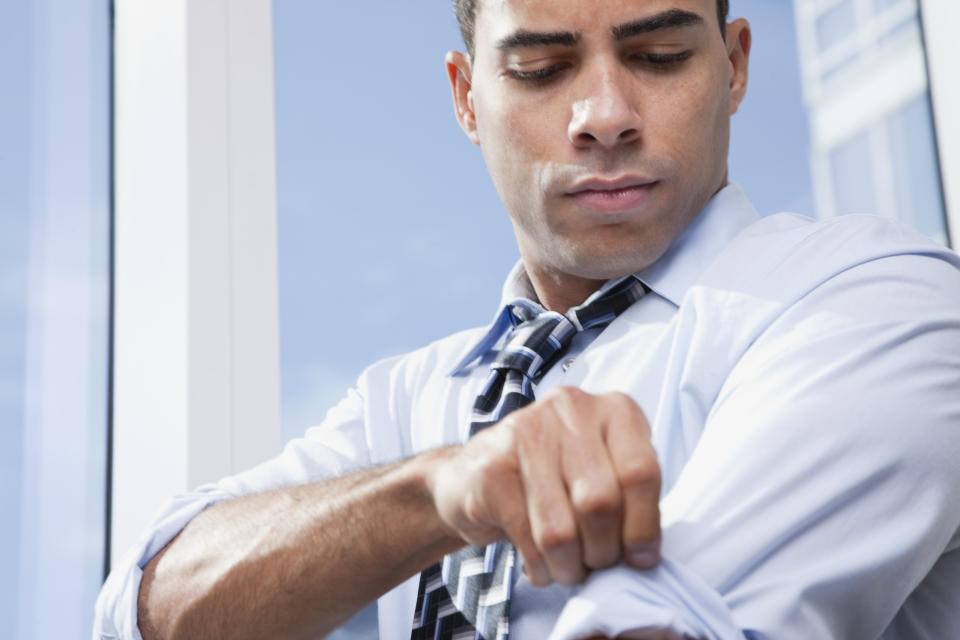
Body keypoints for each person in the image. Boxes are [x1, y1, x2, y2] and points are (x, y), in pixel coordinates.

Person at [95, 0, 960, 638]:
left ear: (733, 67)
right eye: (543, 70)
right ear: (467, 99)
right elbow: (150, 608)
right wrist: (439, 486)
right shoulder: (415, 398)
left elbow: (671, 624)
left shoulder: (877, 301)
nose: (606, 117)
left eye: (658, 56)